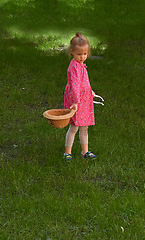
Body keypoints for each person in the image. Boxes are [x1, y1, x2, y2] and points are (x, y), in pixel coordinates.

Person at [63, 32, 97, 161]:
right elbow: (75, 86)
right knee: (74, 127)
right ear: (72, 52)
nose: (82, 57)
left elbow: (84, 82)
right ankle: (67, 152)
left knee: (85, 126)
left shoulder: (81, 65)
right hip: (76, 100)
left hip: (84, 98)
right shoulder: (74, 67)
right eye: (79, 54)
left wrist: (90, 91)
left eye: (85, 54)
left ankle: (85, 151)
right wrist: (76, 102)